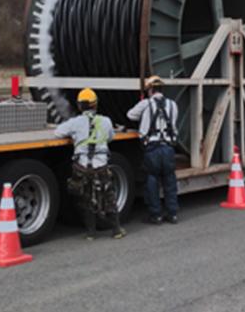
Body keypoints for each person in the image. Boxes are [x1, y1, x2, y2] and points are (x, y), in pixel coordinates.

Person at [54, 87, 126, 240]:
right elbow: (110, 137)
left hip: (82, 167)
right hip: (101, 166)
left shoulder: (75, 123)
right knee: (109, 197)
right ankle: (117, 230)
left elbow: (58, 132)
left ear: (80, 106)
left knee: (86, 199)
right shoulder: (106, 121)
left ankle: (91, 233)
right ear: (95, 104)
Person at [127, 75, 179, 225]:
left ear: (150, 90)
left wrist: (143, 103)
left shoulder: (145, 104)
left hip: (152, 149)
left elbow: (130, 115)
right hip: (168, 148)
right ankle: (173, 214)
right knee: (170, 181)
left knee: (152, 180)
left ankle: (156, 215)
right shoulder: (173, 105)